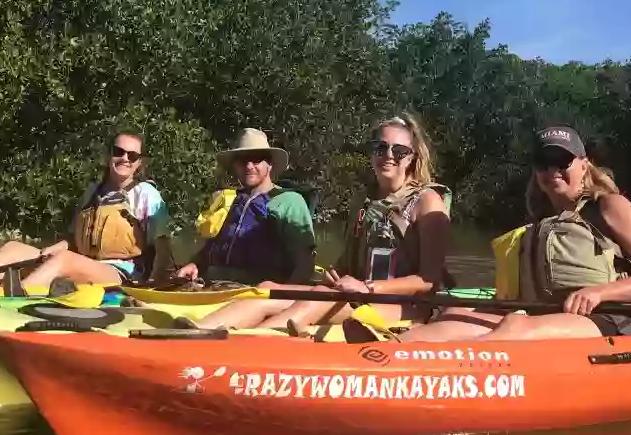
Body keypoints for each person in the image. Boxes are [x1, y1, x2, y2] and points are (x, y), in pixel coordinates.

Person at [399, 125, 631, 343]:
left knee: (515, 326)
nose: (552, 170)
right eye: (543, 162)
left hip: (610, 318)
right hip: (548, 314)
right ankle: (386, 359)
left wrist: (600, 293)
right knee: (453, 313)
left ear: (583, 164)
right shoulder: (542, 220)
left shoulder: (609, 206)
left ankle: (453, 377)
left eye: (562, 161)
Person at [191, 114, 451, 333]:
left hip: (404, 306)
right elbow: (347, 267)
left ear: (413, 157)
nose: (388, 155)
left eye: (399, 150)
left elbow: (429, 279)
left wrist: (367, 287)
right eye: (380, 148)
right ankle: (190, 333)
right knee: (265, 295)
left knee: (314, 304)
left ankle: (250, 344)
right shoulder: (364, 202)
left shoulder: (428, 202)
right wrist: (288, 285)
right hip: (356, 296)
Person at [0, 131, 174, 288]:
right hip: (82, 262)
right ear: (108, 155)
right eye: (118, 152)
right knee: (14, 249)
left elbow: (162, 248)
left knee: (63, 261)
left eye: (132, 155)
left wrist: (153, 287)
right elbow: (72, 240)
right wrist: (47, 252)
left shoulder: (146, 194)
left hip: (123, 274)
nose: (125, 158)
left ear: (139, 162)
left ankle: (14, 299)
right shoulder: (93, 192)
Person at [173, 128, 316, 286]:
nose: (249, 166)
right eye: (242, 160)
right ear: (235, 166)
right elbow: (210, 248)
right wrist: (194, 265)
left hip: (255, 291)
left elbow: (305, 262)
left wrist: (284, 297)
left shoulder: (288, 201)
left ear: (269, 164)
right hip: (211, 286)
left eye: (256, 159)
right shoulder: (226, 199)